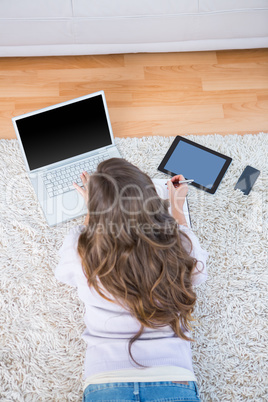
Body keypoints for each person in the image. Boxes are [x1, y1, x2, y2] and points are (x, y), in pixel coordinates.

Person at [55, 158, 208, 402]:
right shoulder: (179, 244)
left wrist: (93, 213)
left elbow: (64, 274)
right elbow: (198, 274)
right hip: (174, 377)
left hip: (105, 379)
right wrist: (177, 207)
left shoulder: (80, 248)